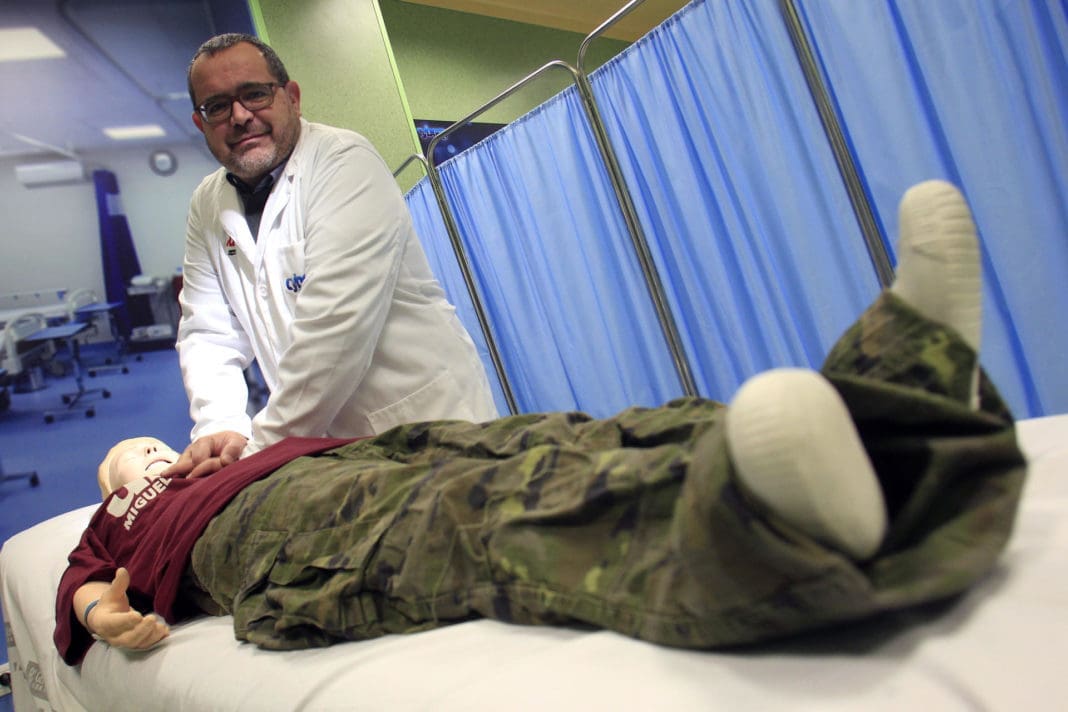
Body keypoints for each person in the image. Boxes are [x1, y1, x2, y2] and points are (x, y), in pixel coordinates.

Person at [56, 182, 1026, 666]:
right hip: (269, 529)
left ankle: (892, 383)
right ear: (114, 485)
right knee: (466, 518)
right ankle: (763, 518)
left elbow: (296, 365)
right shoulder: (121, 522)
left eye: (155, 445)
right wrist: (109, 615)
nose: (154, 453)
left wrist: (232, 441)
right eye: (136, 455)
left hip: (348, 453)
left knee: (565, 436)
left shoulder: (212, 452)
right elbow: (86, 592)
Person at [169, 33, 498, 478]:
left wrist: (258, 456)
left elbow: (334, 331)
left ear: (292, 97)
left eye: (255, 94)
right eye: (218, 106)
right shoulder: (207, 204)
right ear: (200, 122)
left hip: (427, 430)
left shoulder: (345, 162)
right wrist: (219, 423)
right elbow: (208, 331)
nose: (240, 116)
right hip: (322, 451)